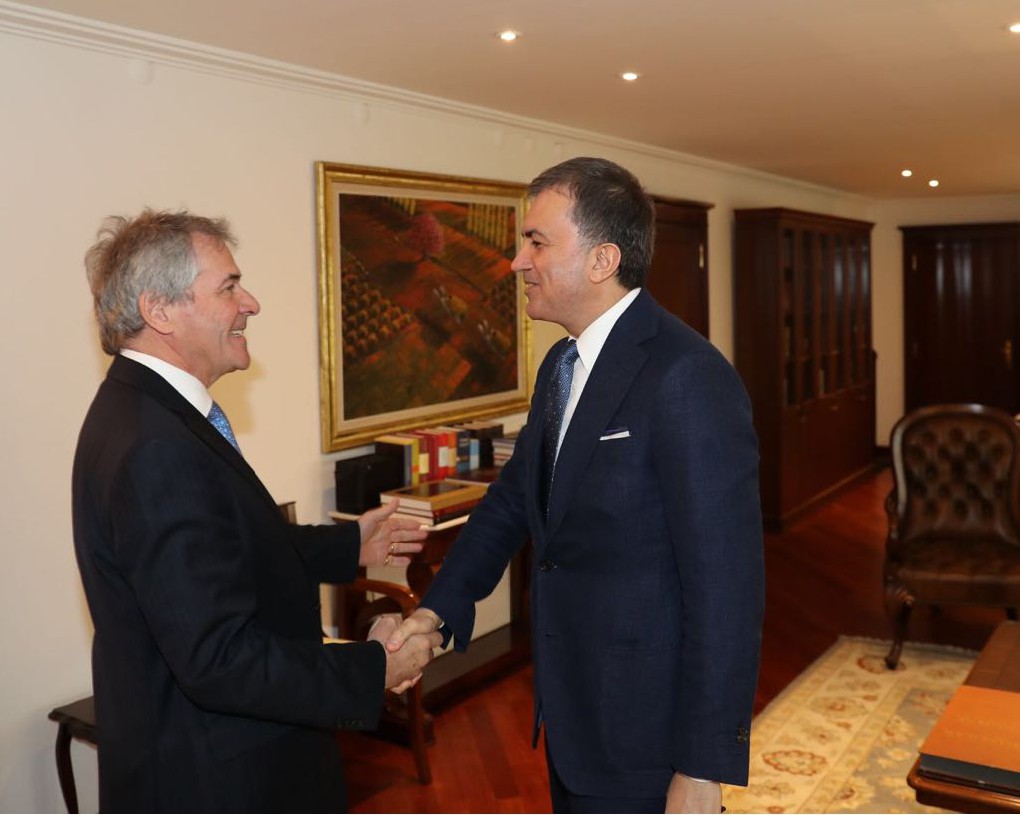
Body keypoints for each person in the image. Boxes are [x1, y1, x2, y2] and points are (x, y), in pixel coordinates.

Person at [387, 157, 765, 813]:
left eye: (536, 242)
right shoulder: (562, 365)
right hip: (573, 715)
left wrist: (702, 766)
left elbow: (727, 588)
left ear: (601, 260)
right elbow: (513, 501)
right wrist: (433, 611)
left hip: (647, 736)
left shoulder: (687, 376)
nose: (517, 262)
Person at [72, 209, 442, 812]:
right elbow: (219, 660)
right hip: (220, 780)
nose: (252, 304)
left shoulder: (144, 410)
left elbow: (226, 547)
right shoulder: (156, 449)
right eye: (229, 287)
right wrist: (373, 668)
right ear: (159, 311)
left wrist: (351, 545)